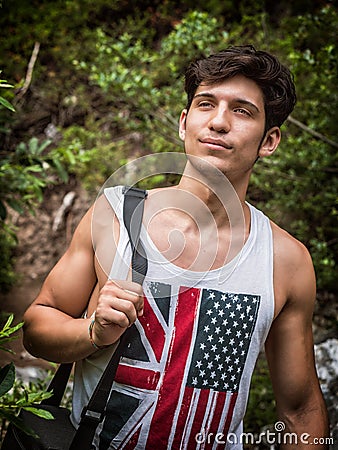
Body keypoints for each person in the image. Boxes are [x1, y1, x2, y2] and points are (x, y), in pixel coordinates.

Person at [23, 45, 329, 449]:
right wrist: (93, 332)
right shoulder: (116, 215)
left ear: (269, 140)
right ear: (185, 122)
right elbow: (36, 327)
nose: (218, 122)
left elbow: (301, 409)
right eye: (206, 104)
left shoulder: (286, 260)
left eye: (242, 110)